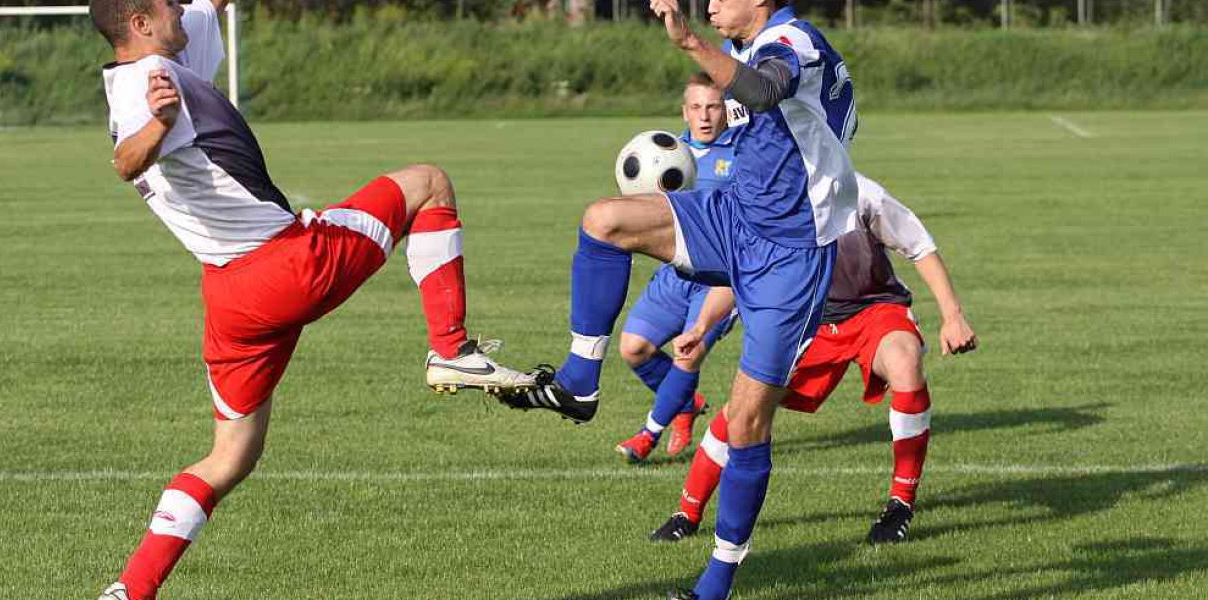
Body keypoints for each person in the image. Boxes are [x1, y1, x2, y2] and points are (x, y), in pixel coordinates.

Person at [89, 1, 541, 598]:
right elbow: (126, 162)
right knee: (429, 184)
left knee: (230, 457)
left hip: (230, 298)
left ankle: (132, 588)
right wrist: (159, 125)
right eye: (165, 3)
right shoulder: (143, 83)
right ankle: (451, 350)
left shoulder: (171, 57)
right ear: (140, 24)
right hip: (285, 265)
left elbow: (207, 7)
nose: (179, 5)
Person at [503, 1, 859, 598]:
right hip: (734, 217)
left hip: (791, 258)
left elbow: (765, 90)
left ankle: (716, 581)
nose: (711, 4)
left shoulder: (794, 42)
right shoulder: (756, 45)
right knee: (604, 220)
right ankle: (580, 380)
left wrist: (691, 44)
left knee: (745, 424)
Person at [650, 173, 979, 547]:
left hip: (873, 310)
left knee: (905, 361)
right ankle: (687, 512)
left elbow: (920, 246)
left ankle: (900, 504)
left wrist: (952, 316)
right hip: (805, 319)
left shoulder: (860, 193)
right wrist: (701, 327)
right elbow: (739, 272)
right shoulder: (765, 201)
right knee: (741, 410)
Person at [614, 72, 740, 463]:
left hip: (720, 279)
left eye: (713, 107)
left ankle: (647, 436)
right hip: (675, 273)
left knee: (688, 352)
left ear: (726, 110)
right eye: (696, 107)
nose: (704, 116)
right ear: (684, 112)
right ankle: (685, 403)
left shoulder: (745, 153)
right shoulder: (665, 155)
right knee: (634, 349)